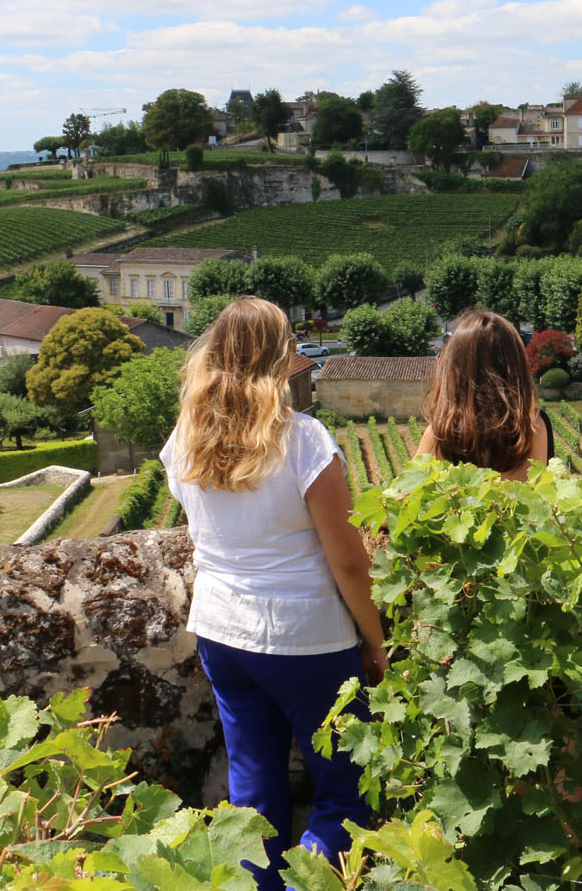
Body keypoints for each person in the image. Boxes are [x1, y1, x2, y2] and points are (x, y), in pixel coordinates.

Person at [161, 297, 386, 890]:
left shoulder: (185, 436)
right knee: (344, 794)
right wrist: (377, 640)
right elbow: (346, 559)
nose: (297, 354)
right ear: (276, 359)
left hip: (221, 632)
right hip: (307, 639)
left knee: (253, 794)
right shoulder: (304, 440)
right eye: (289, 344)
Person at [415, 308, 552, 480]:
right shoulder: (534, 427)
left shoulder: (441, 434)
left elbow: (403, 495)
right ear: (517, 366)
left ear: (455, 369)